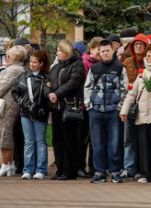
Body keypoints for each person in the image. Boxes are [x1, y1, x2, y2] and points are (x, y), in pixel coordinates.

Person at [120, 43, 151, 184]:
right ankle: (145, 173)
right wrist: (125, 110)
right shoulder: (144, 73)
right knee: (143, 147)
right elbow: (132, 93)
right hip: (142, 116)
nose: (146, 58)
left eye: (149, 56)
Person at [84, 39, 128, 183]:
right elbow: (87, 87)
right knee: (97, 143)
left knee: (114, 142)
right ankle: (99, 171)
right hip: (96, 111)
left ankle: (115, 171)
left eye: (107, 50)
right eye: (102, 51)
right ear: (99, 52)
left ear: (113, 50)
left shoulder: (120, 68)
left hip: (113, 110)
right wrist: (89, 105)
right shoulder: (94, 68)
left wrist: (121, 106)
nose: (105, 53)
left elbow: (124, 88)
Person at [47, 39, 85, 181]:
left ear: (66, 51)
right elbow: (49, 81)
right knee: (57, 139)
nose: (57, 53)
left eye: (59, 50)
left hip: (69, 107)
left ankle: (69, 170)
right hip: (56, 107)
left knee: (70, 139)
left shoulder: (77, 65)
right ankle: (60, 168)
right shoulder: (57, 67)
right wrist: (50, 93)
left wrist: (57, 93)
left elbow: (73, 83)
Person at [12, 49, 52, 180]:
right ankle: (28, 169)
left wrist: (42, 106)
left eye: (35, 62)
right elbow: (15, 91)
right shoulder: (23, 76)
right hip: (25, 113)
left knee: (40, 141)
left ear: (41, 63)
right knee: (28, 141)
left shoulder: (46, 78)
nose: (32, 64)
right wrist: (22, 102)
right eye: (30, 62)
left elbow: (47, 93)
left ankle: (41, 169)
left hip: (40, 113)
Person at [0, 46, 26, 177]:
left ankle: (6, 165)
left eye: (9, 55)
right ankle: (9, 165)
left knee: (4, 135)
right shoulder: (15, 68)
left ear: (16, 56)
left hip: (6, 105)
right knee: (6, 134)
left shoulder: (14, 69)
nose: (7, 57)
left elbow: (1, 87)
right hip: (7, 104)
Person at [121, 33, 149, 179]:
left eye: (141, 44)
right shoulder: (127, 62)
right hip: (130, 104)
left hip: (146, 105)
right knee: (129, 139)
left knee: (145, 139)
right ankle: (129, 167)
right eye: (136, 44)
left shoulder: (149, 62)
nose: (138, 46)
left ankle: (147, 167)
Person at [79, 37, 102, 177]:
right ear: (91, 49)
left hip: (99, 106)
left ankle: (94, 167)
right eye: (98, 49)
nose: (100, 52)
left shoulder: (104, 64)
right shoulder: (85, 63)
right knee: (83, 138)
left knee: (96, 139)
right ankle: (81, 166)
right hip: (85, 106)